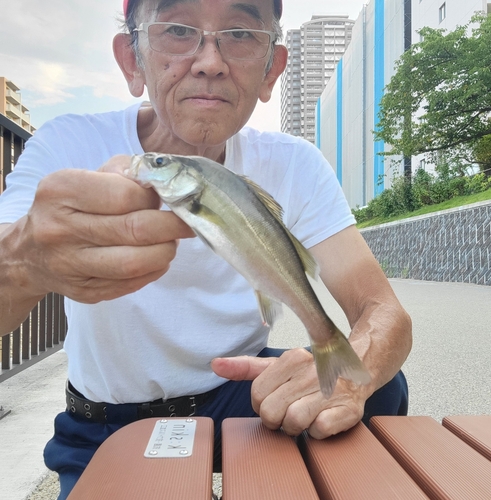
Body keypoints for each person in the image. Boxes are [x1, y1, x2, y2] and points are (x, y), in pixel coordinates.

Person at [0, 0, 411, 498]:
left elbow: (383, 311)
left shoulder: (295, 164)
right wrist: (23, 260)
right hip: (104, 421)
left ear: (270, 70)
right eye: (177, 29)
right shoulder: (68, 145)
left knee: (379, 383)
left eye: (239, 33)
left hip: (238, 396)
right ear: (132, 60)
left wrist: (348, 380)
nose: (210, 61)